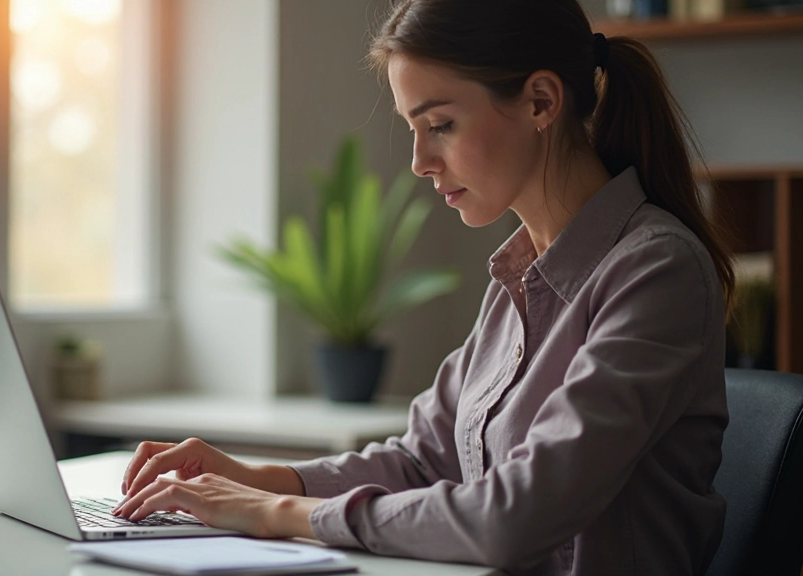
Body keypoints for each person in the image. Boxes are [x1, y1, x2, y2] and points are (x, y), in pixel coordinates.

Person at [111, 1, 735, 574]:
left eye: (439, 124)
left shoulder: (657, 272)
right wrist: (261, 480)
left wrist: (273, 516)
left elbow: (513, 517)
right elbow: (421, 461)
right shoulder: (517, 279)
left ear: (542, 102)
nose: (419, 161)